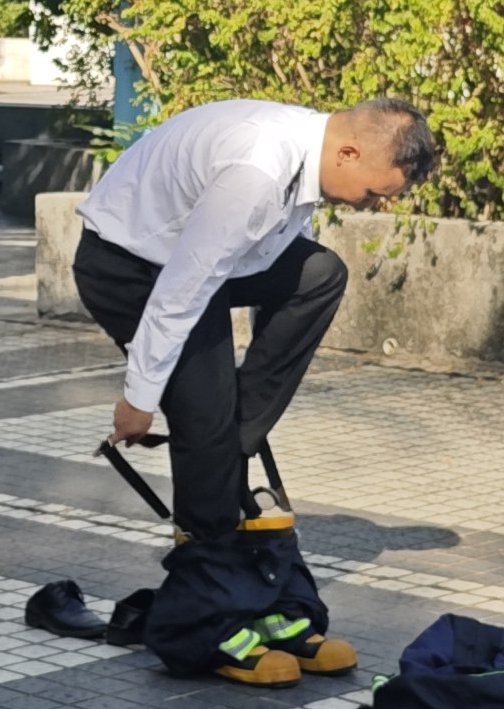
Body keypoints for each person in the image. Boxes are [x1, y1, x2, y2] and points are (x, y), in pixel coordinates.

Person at [73, 97, 441, 675]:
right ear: (348, 153)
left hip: (198, 264)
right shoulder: (259, 168)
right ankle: (210, 625)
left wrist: (220, 413)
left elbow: (256, 255)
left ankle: (228, 439)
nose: (372, 205)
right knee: (206, 420)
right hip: (129, 267)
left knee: (319, 275)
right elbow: (184, 288)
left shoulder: (309, 153)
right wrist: (139, 398)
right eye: (374, 193)